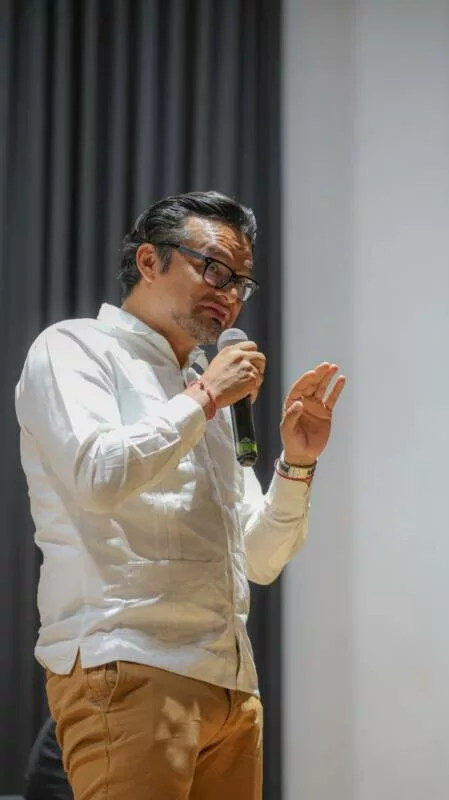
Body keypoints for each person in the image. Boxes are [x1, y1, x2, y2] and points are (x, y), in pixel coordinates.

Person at [15, 191, 345, 800]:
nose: (230, 292)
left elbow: (259, 558)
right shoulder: (76, 347)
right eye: (214, 269)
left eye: (241, 281)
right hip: (129, 663)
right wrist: (206, 398)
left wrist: (297, 462)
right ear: (149, 261)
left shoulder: (203, 387)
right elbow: (98, 475)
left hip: (230, 685)